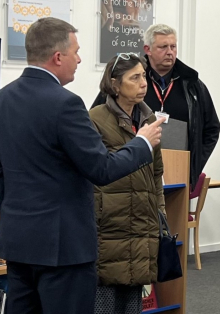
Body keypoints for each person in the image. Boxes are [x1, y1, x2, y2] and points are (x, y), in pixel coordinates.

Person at [0, 17, 164, 314]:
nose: (80, 59)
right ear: (58, 57)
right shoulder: (66, 104)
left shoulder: (0, 100)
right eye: (76, 52)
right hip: (64, 249)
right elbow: (101, 170)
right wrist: (142, 142)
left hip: (18, 241)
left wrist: (18, 213)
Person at [93, 24, 220, 190]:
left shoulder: (192, 85)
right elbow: (96, 124)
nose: (170, 52)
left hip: (178, 172)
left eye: (173, 47)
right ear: (148, 49)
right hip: (133, 171)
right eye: (163, 47)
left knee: (170, 216)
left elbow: (212, 128)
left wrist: (193, 166)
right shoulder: (126, 81)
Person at [89, 53, 164, 314]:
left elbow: (157, 173)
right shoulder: (95, 119)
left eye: (144, 75)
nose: (143, 83)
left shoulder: (150, 119)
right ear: (115, 84)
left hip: (142, 226)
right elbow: (95, 172)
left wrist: (160, 214)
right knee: (105, 303)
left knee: (133, 304)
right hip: (110, 227)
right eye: (135, 77)